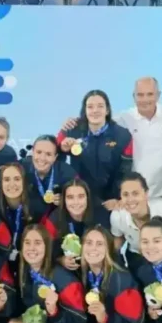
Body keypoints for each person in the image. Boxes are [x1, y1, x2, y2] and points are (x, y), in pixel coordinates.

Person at [56, 89, 133, 227]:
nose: (95, 110)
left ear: (107, 110)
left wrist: (118, 198)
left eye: (100, 106)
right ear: (84, 110)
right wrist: (62, 148)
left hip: (107, 202)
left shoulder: (123, 136)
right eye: (90, 107)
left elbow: (125, 172)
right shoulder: (72, 129)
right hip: (77, 201)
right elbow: (53, 154)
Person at [20, 135, 77, 222]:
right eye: (39, 152)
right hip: (28, 223)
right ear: (33, 152)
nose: (42, 158)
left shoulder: (67, 173)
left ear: (55, 157)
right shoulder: (21, 169)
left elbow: (81, 198)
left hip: (57, 223)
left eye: (48, 154)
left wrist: (67, 200)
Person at [41, 178, 93, 271]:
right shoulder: (54, 219)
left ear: (87, 198)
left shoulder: (99, 216)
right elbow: (45, 252)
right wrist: (61, 260)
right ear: (63, 200)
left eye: (80, 196)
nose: (76, 202)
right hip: (69, 269)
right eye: (70, 197)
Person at [0, 162, 33, 277]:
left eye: (17, 179)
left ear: (24, 182)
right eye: (7, 179)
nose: (12, 184)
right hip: (4, 265)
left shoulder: (36, 209)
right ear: (1, 184)